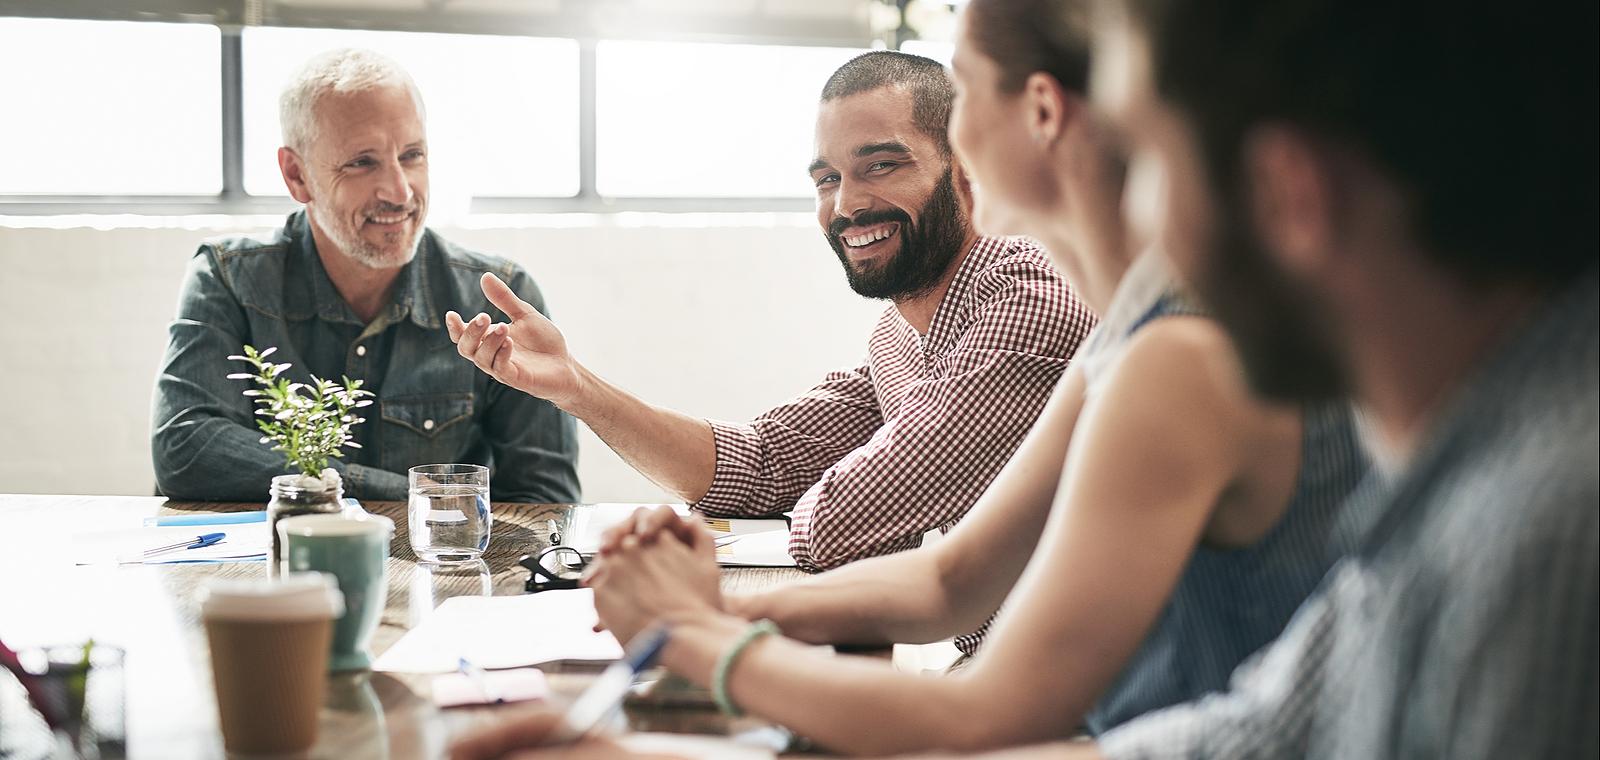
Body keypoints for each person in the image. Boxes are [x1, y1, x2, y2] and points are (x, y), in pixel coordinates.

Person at [479, 0, 1595, 757]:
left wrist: (699, 638)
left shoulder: (1536, 527)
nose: (1137, 205)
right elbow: (1240, 735)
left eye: (1152, 155)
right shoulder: (1451, 492)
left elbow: (983, 688)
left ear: (1284, 194)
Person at [446, 51, 1094, 571]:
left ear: (967, 168)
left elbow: (837, 525)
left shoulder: (1025, 303)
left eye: (882, 165)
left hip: (1102, 707)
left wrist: (808, 497)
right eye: (827, 180)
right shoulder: (900, 334)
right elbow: (760, 465)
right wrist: (575, 385)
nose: (846, 206)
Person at [152, 49, 580, 503]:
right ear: (296, 175)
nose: (399, 191)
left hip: (443, 572)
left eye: (412, 155)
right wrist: (402, 495)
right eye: (362, 162)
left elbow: (545, 500)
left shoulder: (498, 301)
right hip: (279, 572)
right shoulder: (229, 280)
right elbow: (187, 448)